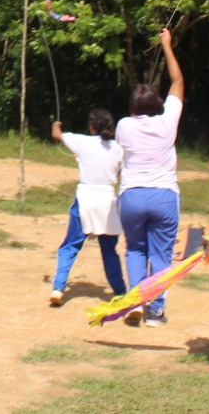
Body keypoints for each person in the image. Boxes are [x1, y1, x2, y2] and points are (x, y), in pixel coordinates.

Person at [115, 28, 184, 327]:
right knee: (161, 255)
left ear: (133, 107)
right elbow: (178, 81)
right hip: (164, 196)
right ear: (158, 104)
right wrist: (167, 45)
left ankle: (135, 300)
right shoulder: (168, 120)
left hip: (132, 196)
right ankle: (155, 311)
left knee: (134, 248)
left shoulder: (123, 126)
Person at [48, 108, 126, 306]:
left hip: (85, 198)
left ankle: (58, 288)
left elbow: (56, 135)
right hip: (107, 200)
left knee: (70, 246)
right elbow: (118, 173)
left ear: (91, 127)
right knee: (109, 250)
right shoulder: (118, 148)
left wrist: (56, 125)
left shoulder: (82, 142)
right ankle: (119, 292)